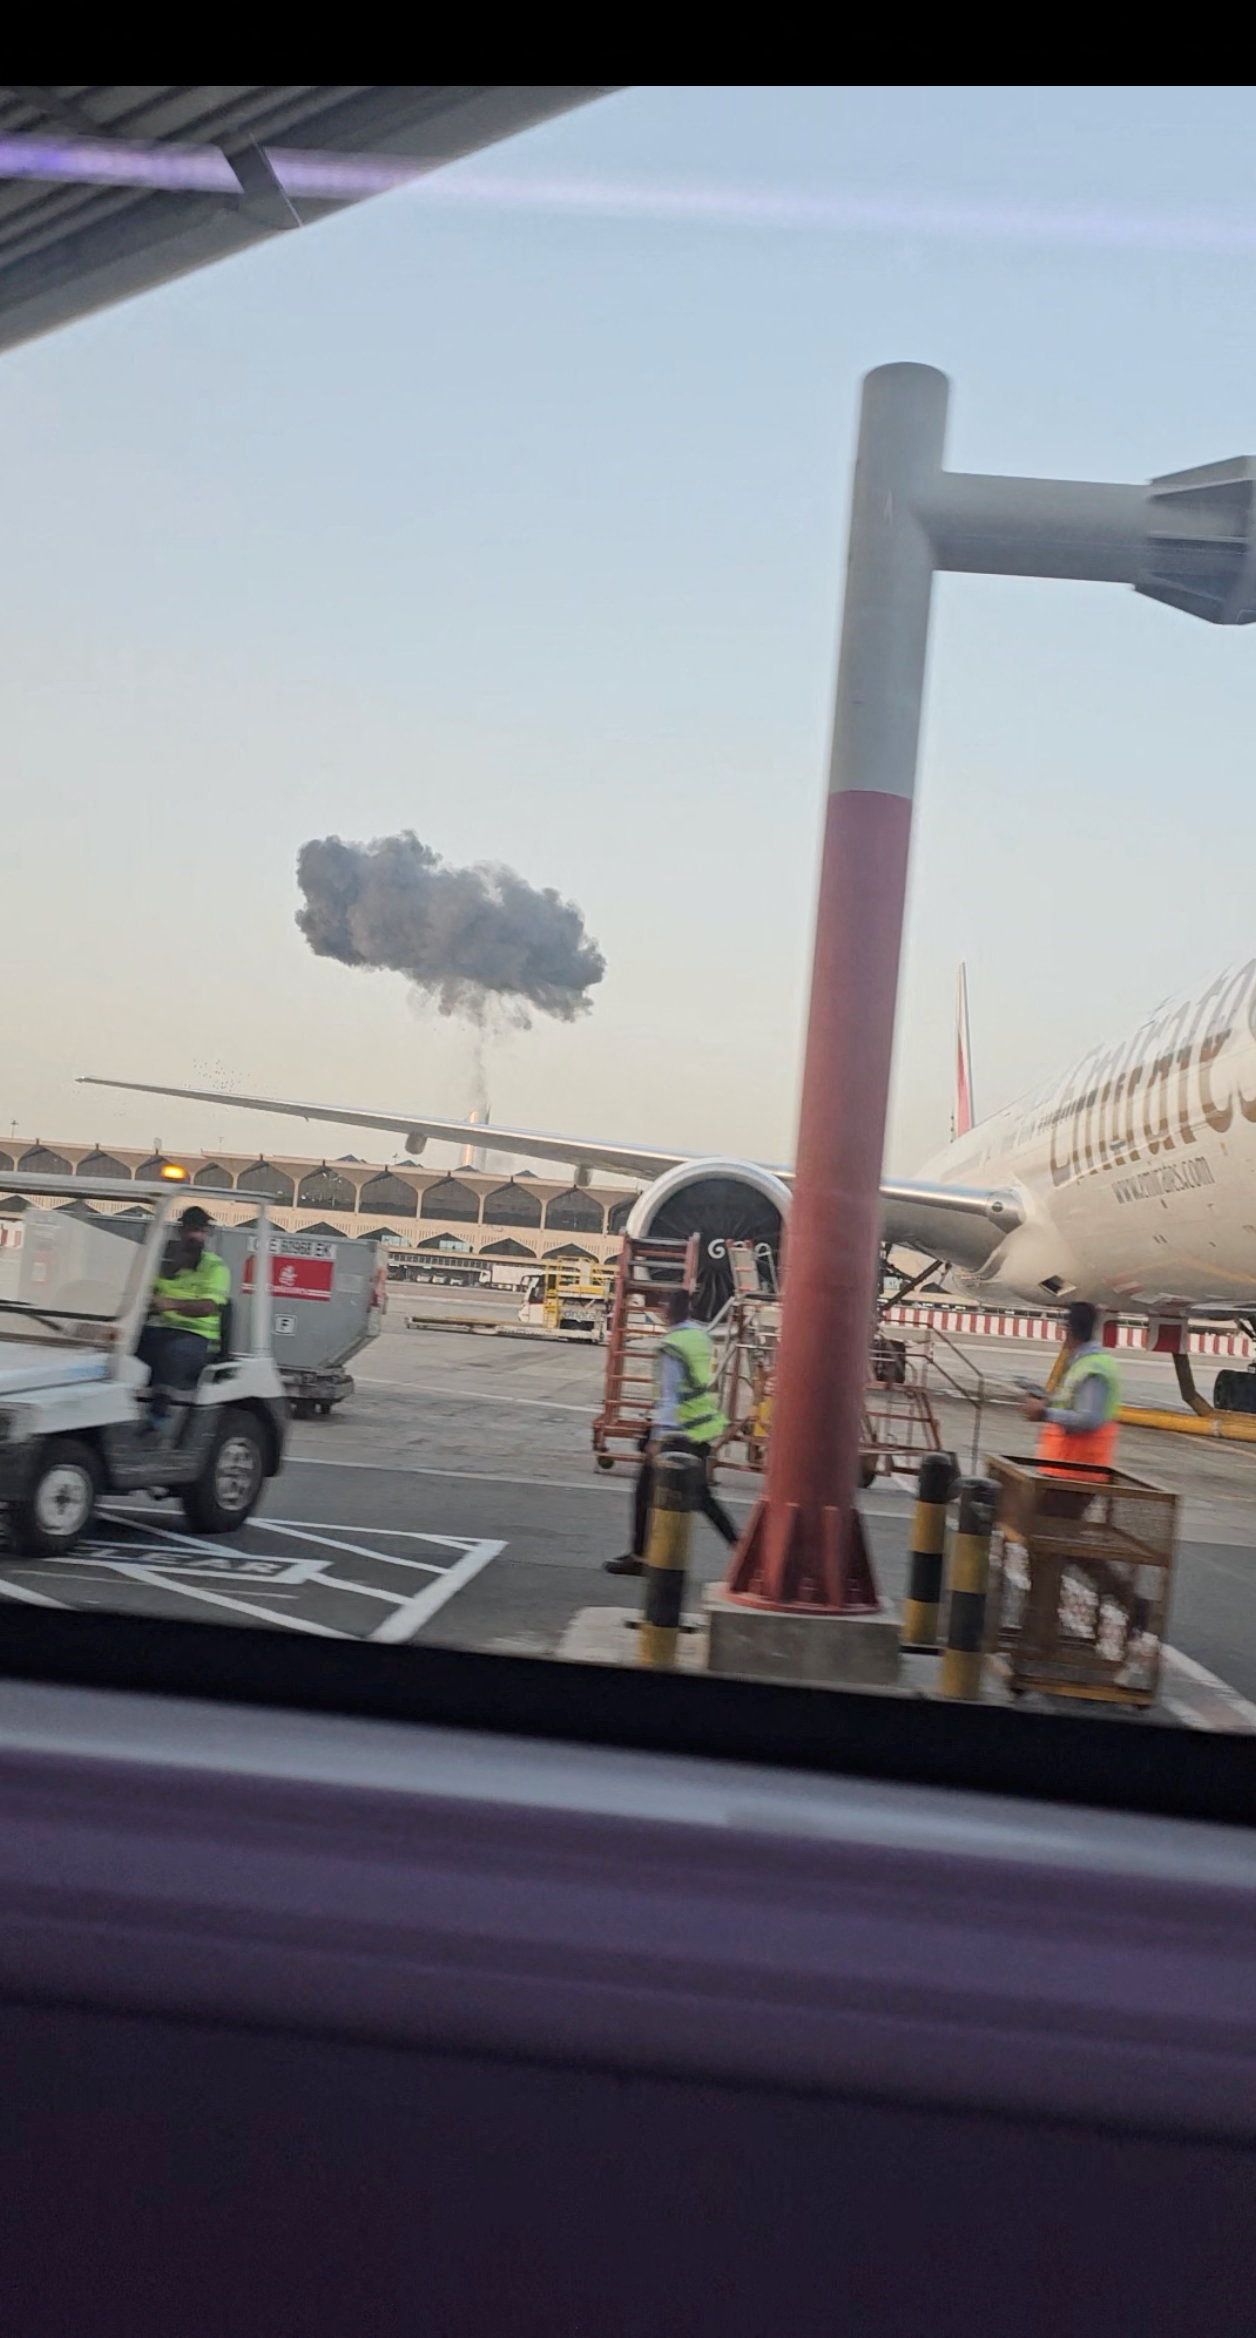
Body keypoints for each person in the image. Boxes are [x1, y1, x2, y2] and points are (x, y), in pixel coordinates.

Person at [605, 1285, 738, 1576]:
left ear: (666, 1311)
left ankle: (641, 1556)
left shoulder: (672, 1345)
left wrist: (657, 1437)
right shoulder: (699, 1336)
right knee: (700, 1497)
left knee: (648, 1493)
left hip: (677, 1432)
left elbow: (670, 1396)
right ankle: (740, 1550)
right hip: (700, 1428)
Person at [136, 1204, 231, 1426]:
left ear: (206, 1234)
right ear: (180, 1230)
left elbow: (208, 1307)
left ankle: (158, 1418)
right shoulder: (162, 1262)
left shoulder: (215, 1268)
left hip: (196, 1337)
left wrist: (169, 1304)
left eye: (199, 1230)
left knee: (172, 1354)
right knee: (122, 1348)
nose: (194, 1236)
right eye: (190, 1229)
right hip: (158, 1328)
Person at [1021, 1299, 1121, 1469]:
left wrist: (1044, 1413)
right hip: (1064, 1465)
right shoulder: (1083, 1362)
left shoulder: (1093, 1367)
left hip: (1078, 1467)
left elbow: (1089, 1419)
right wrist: (1047, 1401)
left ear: (1069, 1330)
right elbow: (1070, 1402)